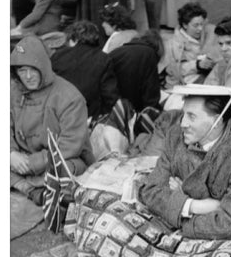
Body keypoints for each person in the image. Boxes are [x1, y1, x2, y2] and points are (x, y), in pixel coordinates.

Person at [139, 84, 231, 240]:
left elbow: (230, 225)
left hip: (225, 237)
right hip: (194, 224)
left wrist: (176, 204)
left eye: (192, 116)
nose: (182, 123)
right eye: (183, 114)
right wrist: (196, 206)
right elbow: (151, 191)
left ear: (217, 121)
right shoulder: (175, 135)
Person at [10, 35, 94, 204]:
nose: (28, 76)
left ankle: (24, 184)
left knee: (65, 171)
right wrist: (10, 154)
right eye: (22, 70)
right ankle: (32, 190)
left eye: (33, 69)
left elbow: (70, 145)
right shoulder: (14, 91)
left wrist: (33, 163)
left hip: (60, 159)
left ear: (44, 67)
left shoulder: (69, 97)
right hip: (22, 157)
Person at [50, 20, 119, 120]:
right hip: (91, 117)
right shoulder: (103, 59)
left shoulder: (57, 56)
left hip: (61, 115)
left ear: (74, 38)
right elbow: (110, 95)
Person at [162, 2, 220, 88]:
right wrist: (197, 65)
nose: (200, 29)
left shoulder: (209, 34)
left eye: (201, 24)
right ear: (185, 25)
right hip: (183, 85)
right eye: (195, 25)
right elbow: (172, 70)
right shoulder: (172, 43)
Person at [107, 30, 163, 112]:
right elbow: (151, 95)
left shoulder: (117, 52)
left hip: (113, 108)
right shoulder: (149, 54)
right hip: (129, 109)